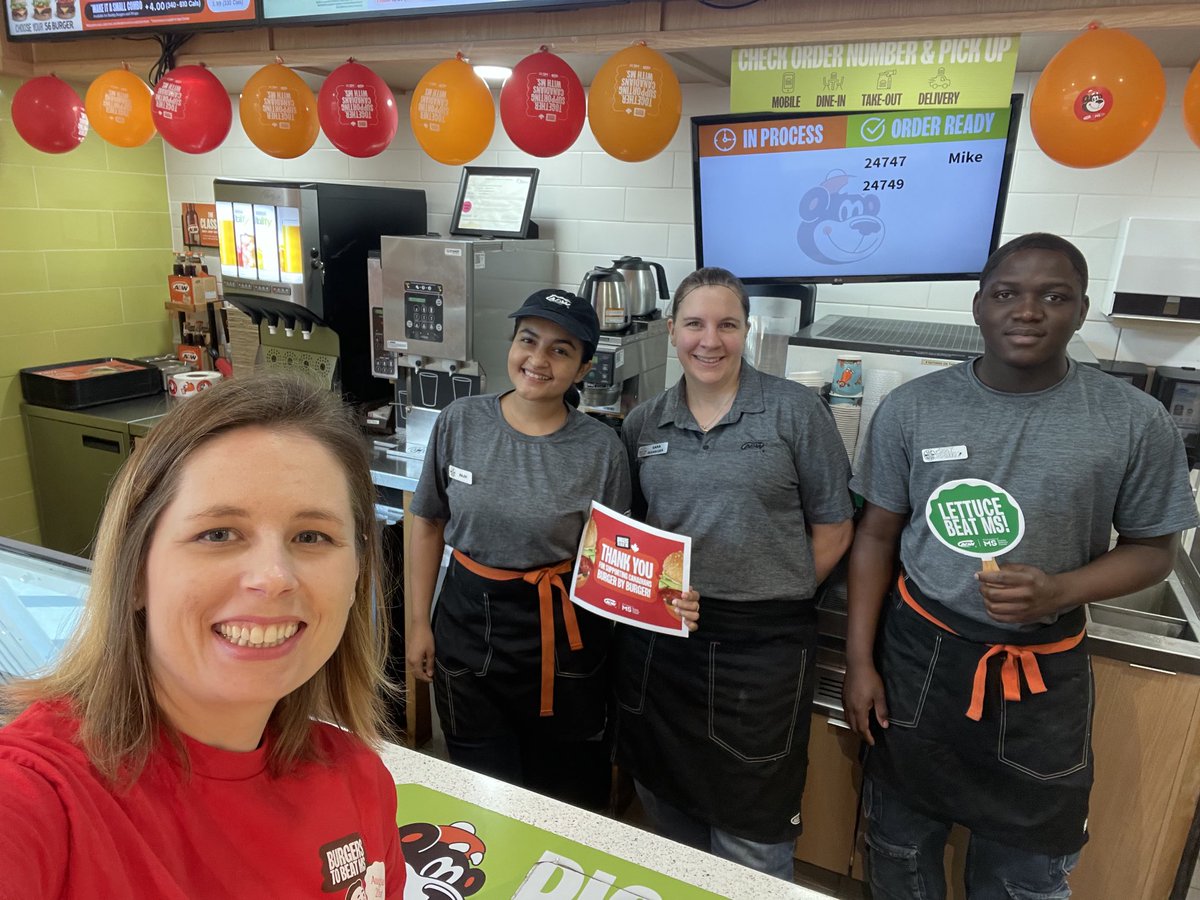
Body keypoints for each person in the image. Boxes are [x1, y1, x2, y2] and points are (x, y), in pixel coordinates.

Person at [844, 233, 1200, 899]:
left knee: (1024, 875)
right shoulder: (914, 408)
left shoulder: (1133, 421)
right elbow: (876, 537)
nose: (1028, 310)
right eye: (1007, 293)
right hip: (918, 662)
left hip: (1042, 678)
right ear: (979, 305)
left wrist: (1060, 590)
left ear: (1081, 310)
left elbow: (1156, 551)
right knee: (898, 848)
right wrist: (860, 663)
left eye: (1053, 296)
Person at [0, 373, 405, 898]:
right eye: (218, 534)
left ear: (356, 576)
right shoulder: (40, 795)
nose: (274, 578)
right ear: (135, 572)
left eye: (312, 536)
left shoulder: (360, 780)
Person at [405, 289, 699, 811]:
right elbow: (427, 521)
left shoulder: (601, 449)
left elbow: (619, 557)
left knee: (565, 801)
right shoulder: (461, 421)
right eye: (528, 340)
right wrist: (417, 624)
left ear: (583, 368)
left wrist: (667, 595)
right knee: (481, 797)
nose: (538, 359)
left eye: (560, 350)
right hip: (467, 626)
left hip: (565, 638)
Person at [615, 266, 854, 879]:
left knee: (752, 836)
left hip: (763, 652)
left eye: (727, 325)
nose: (710, 340)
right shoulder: (644, 424)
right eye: (695, 324)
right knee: (669, 814)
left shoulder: (794, 411)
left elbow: (834, 528)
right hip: (665, 649)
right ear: (672, 330)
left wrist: (771, 589)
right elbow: (635, 536)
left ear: (747, 331)